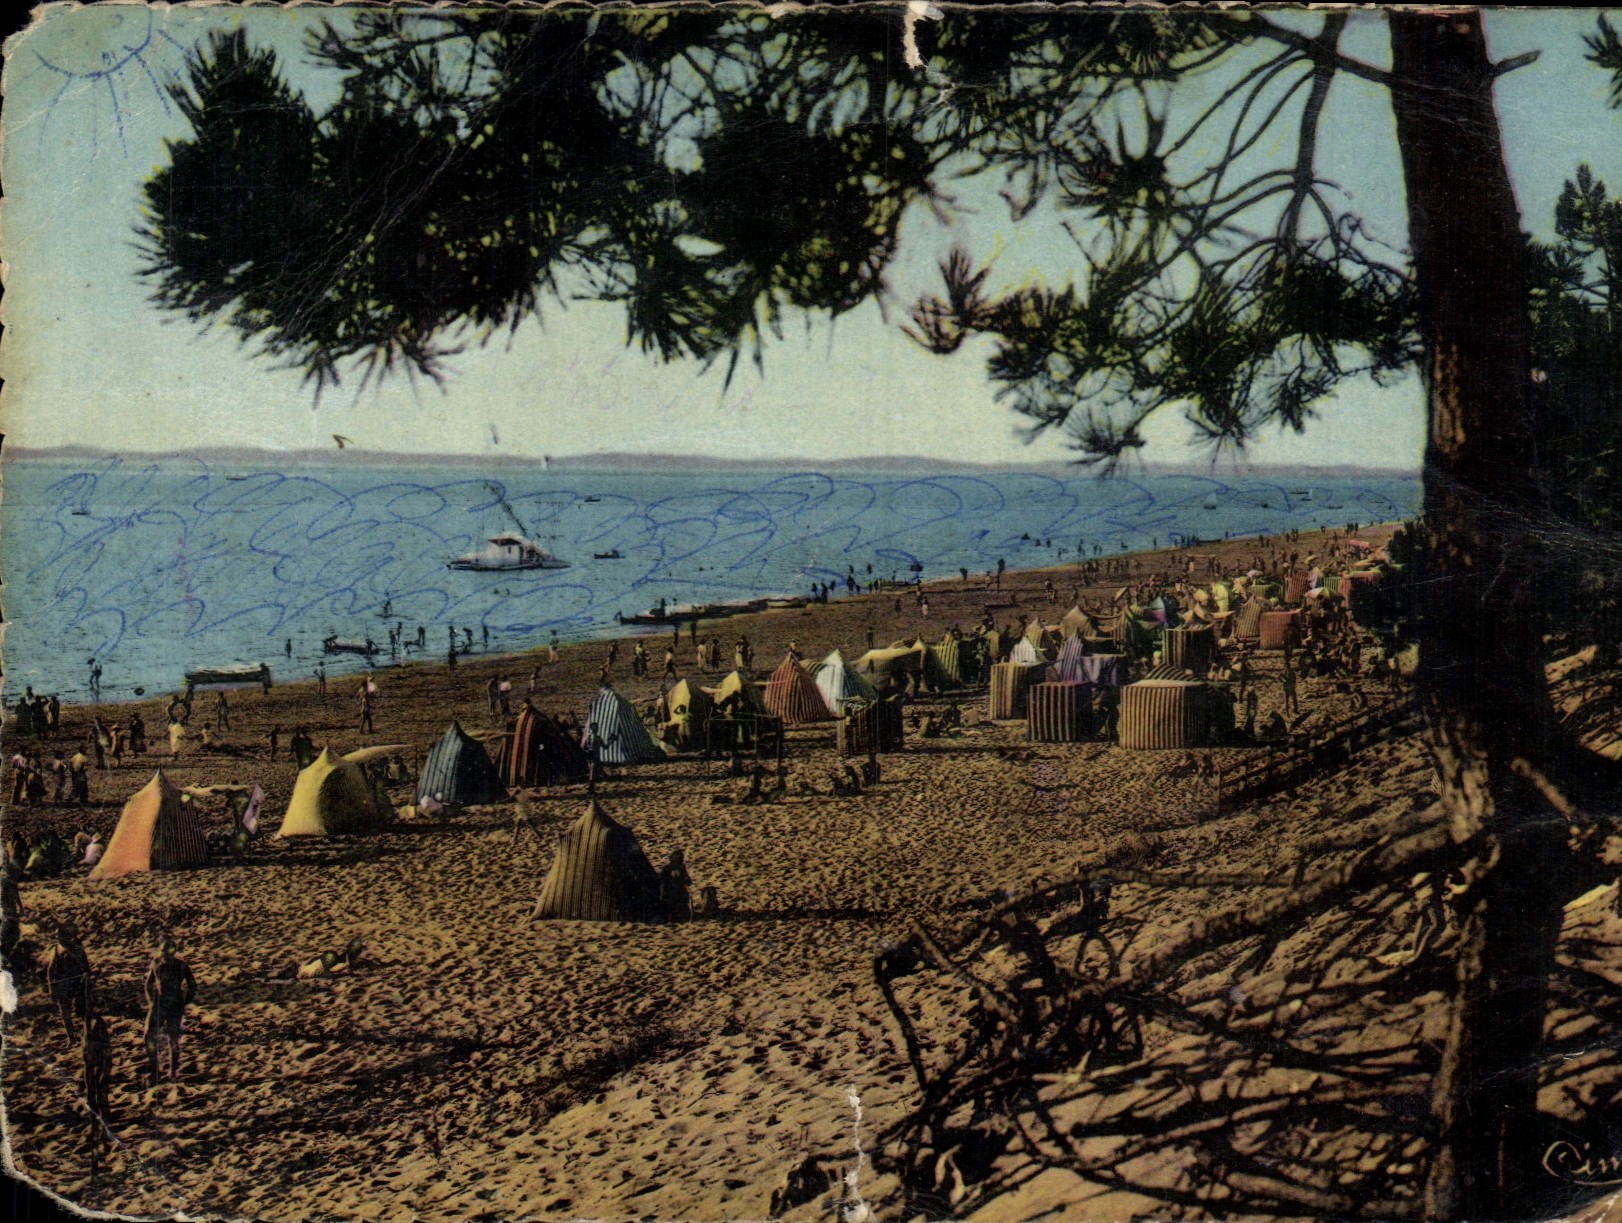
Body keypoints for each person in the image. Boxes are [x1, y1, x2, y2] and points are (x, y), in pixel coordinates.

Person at [142, 938, 197, 1085]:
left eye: (169, 954)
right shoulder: (156, 964)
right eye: (164, 953)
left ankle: (173, 1072)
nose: (166, 957)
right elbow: (148, 984)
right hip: (159, 1004)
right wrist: (150, 1001)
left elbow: (193, 986)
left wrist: (184, 1001)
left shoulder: (181, 966)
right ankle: (155, 1072)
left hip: (175, 1006)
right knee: (149, 1036)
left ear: (174, 954)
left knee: (173, 1039)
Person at [45, 921, 93, 1041]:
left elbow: (85, 964)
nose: (59, 938)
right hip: (63, 986)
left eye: (61, 935)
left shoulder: (77, 947)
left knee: (84, 1009)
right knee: (65, 1013)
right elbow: (50, 971)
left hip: (78, 983)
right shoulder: (56, 950)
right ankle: (71, 1037)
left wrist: (87, 973)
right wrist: (52, 989)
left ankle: (87, 1033)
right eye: (58, 936)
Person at [660, 849, 693, 922]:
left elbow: (687, 881)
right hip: (672, 893)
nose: (681, 859)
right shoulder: (667, 869)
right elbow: (663, 881)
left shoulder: (681, 868)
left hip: (679, 893)